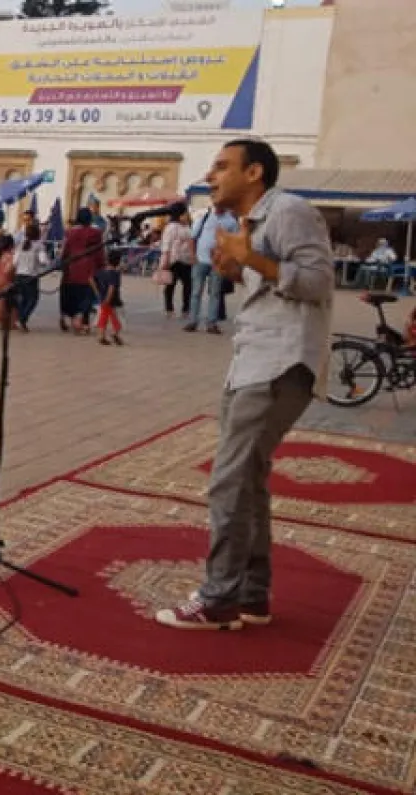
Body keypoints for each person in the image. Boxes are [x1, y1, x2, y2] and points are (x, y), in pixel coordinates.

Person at [156, 139, 335, 631]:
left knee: (229, 479)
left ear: (254, 172)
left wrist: (252, 260)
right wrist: (237, 268)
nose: (210, 176)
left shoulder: (289, 211)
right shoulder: (249, 223)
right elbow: (274, 286)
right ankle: (252, 596)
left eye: (221, 166)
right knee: (248, 480)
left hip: (280, 362)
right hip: (253, 359)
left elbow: (318, 282)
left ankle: (219, 599)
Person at [184, 206, 237, 335]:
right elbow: (192, 238)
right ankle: (192, 321)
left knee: (215, 293)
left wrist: (226, 258)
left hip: (218, 263)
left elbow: (234, 242)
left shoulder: (231, 221)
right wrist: (193, 256)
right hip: (200, 261)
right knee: (196, 292)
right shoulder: (204, 217)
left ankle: (212, 323)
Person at [59, 207, 104, 334]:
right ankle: (83, 323)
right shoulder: (96, 233)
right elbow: (99, 252)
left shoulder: (70, 232)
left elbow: (65, 250)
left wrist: (62, 263)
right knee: (86, 298)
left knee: (71, 296)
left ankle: (71, 319)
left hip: (71, 269)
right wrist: (101, 266)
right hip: (88, 270)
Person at [159, 207, 194, 319]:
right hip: (173, 260)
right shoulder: (171, 227)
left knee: (188, 286)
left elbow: (192, 242)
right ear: (179, 215)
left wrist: (193, 256)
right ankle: (169, 309)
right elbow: (166, 244)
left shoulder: (188, 227)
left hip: (186, 260)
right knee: (170, 285)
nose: (187, 216)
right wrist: (166, 259)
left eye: (187, 215)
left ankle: (186, 309)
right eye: (185, 214)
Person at [11, 223, 48, 332]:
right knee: (32, 299)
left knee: (22, 299)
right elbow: (43, 261)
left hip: (19, 275)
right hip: (31, 276)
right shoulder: (39, 246)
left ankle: (20, 318)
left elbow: (14, 262)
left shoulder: (20, 244)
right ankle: (22, 319)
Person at [94, 249, 125, 346]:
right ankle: (115, 333)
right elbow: (111, 287)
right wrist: (108, 299)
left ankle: (102, 336)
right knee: (117, 318)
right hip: (112, 300)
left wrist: (98, 293)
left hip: (102, 298)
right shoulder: (115, 274)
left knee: (104, 317)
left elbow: (92, 280)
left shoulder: (101, 272)